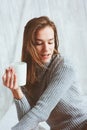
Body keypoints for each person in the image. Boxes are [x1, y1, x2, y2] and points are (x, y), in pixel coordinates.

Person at [2, 16, 87, 130]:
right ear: (29, 45)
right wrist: (16, 91)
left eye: (50, 42)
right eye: (39, 43)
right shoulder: (27, 74)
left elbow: (41, 111)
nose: (46, 49)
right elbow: (28, 122)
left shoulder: (65, 67)